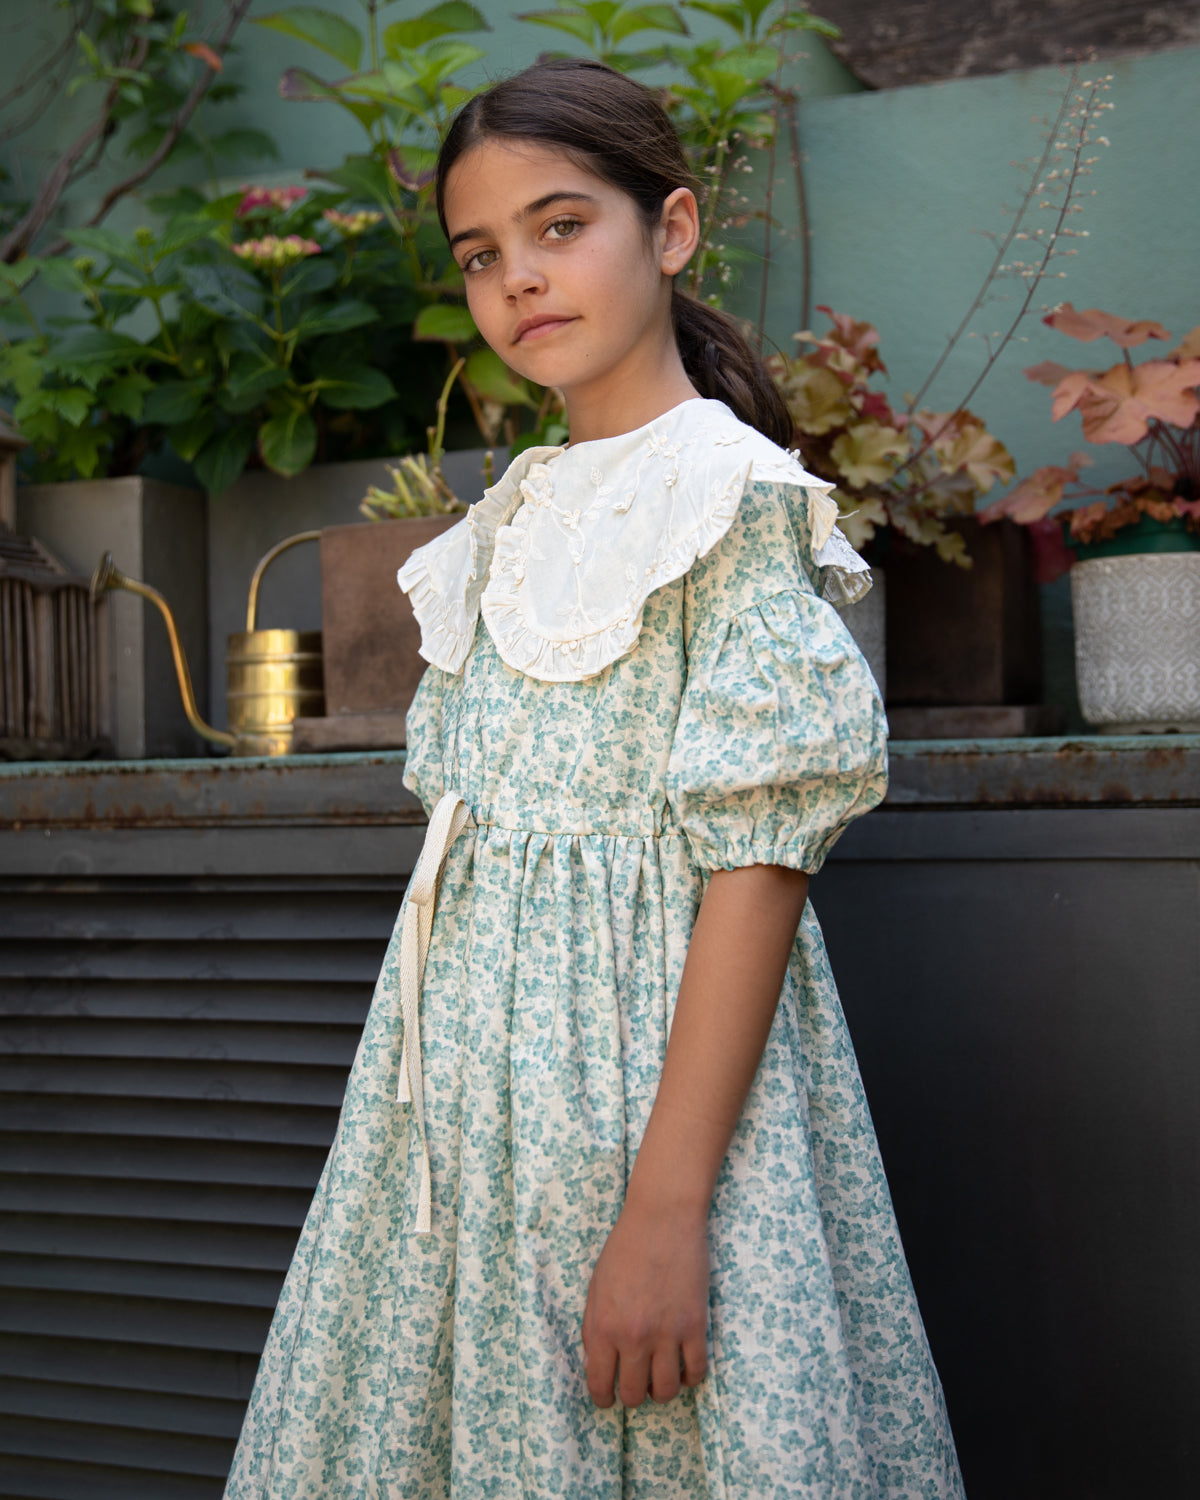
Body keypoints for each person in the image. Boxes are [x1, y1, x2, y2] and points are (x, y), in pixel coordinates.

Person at [225, 57, 965, 1500]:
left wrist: (666, 1207)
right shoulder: (504, 522)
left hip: (649, 1116)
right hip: (464, 1133)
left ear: (671, 230)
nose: (521, 279)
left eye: (563, 227)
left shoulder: (733, 500)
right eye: (484, 253)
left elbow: (754, 866)